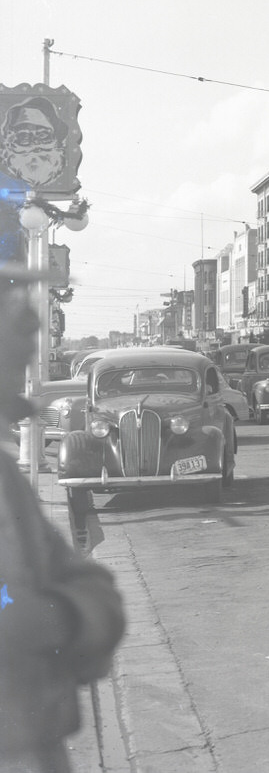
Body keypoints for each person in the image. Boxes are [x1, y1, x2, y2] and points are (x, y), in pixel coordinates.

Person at [0, 240, 126, 771]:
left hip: (36, 739)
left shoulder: (5, 475)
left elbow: (83, 582)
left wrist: (61, 616)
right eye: (8, 293)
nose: (34, 328)